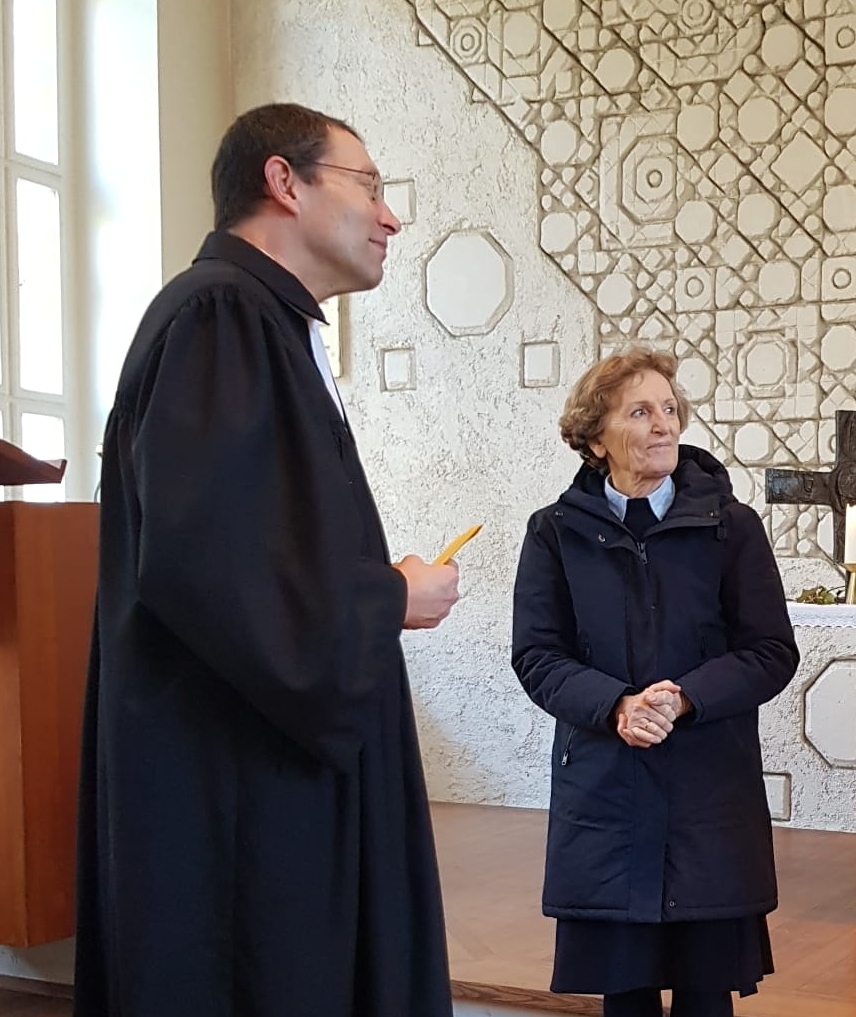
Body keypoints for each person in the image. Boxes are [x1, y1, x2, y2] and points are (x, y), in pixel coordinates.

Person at [74, 104, 461, 1017]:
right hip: (236, 788)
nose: (391, 216)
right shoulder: (221, 315)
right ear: (284, 181)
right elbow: (209, 564)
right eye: (368, 186)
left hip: (258, 765)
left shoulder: (261, 322)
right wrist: (388, 596)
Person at [511, 348, 800, 1017]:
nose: (664, 424)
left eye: (669, 409)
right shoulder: (554, 532)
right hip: (606, 783)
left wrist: (684, 697)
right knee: (625, 990)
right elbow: (537, 655)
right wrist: (615, 705)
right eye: (640, 412)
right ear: (595, 437)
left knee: (706, 992)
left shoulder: (731, 526)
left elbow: (770, 651)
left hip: (707, 784)